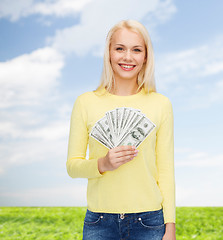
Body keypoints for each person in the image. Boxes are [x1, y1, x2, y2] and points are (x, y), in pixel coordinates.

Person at [67, 19, 176, 240]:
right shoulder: (85, 102)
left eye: (136, 50)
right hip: (99, 222)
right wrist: (102, 164)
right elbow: (72, 166)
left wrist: (170, 227)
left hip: (150, 222)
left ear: (146, 56)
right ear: (109, 53)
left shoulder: (161, 104)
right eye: (120, 48)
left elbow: (165, 171)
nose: (128, 57)